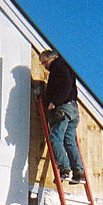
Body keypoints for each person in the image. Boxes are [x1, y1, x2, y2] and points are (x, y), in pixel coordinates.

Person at [39, 49, 85, 184]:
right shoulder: (67, 67)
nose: (44, 66)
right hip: (73, 109)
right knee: (69, 141)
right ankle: (79, 173)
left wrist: (54, 102)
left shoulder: (58, 67)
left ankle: (65, 170)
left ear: (52, 58)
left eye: (45, 62)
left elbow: (65, 86)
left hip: (62, 109)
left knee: (56, 138)